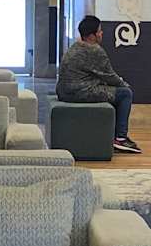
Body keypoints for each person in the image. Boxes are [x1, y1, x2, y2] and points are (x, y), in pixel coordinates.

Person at [59, 14, 140, 153]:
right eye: (99, 31)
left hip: (65, 91)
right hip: (78, 92)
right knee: (125, 94)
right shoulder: (94, 50)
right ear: (92, 35)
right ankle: (120, 138)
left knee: (114, 91)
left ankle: (114, 136)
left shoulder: (75, 46)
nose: (102, 33)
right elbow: (110, 76)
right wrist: (124, 84)